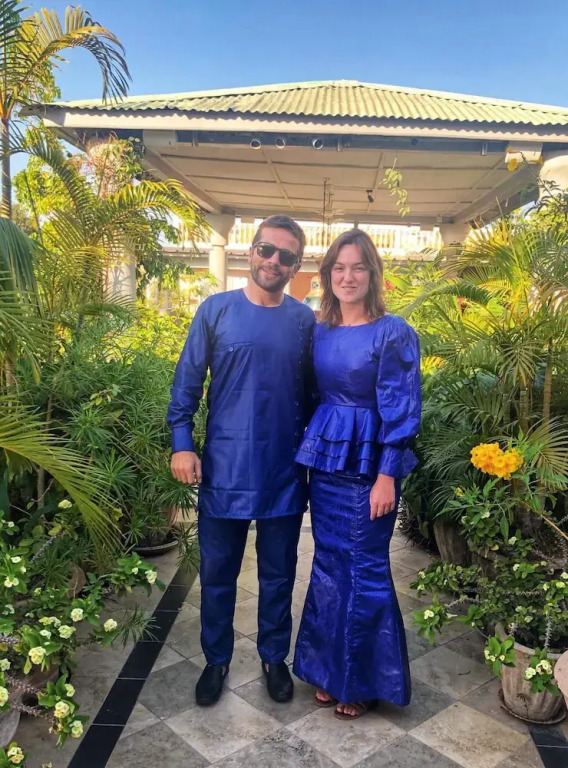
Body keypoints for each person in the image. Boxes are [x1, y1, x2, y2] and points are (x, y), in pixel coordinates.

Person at [167, 214, 316, 707]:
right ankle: (216, 660)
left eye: (286, 256)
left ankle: (275, 658)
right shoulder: (215, 311)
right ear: (250, 251)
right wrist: (182, 442)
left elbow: (315, 395)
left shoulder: (304, 321)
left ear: (296, 265)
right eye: (266, 250)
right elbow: (187, 383)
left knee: (278, 575)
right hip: (224, 468)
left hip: (283, 471)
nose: (273, 261)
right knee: (217, 575)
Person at [293, 228, 421, 720]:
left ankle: (361, 681)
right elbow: (312, 396)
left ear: (373, 274)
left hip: (372, 470)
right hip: (328, 464)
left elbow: (402, 409)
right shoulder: (321, 331)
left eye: (358, 267)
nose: (348, 277)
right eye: (339, 268)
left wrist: (387, 476)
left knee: (364, 565)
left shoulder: (393, 331)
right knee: (329, 562)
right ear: (328, 275)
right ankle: (328, 672)